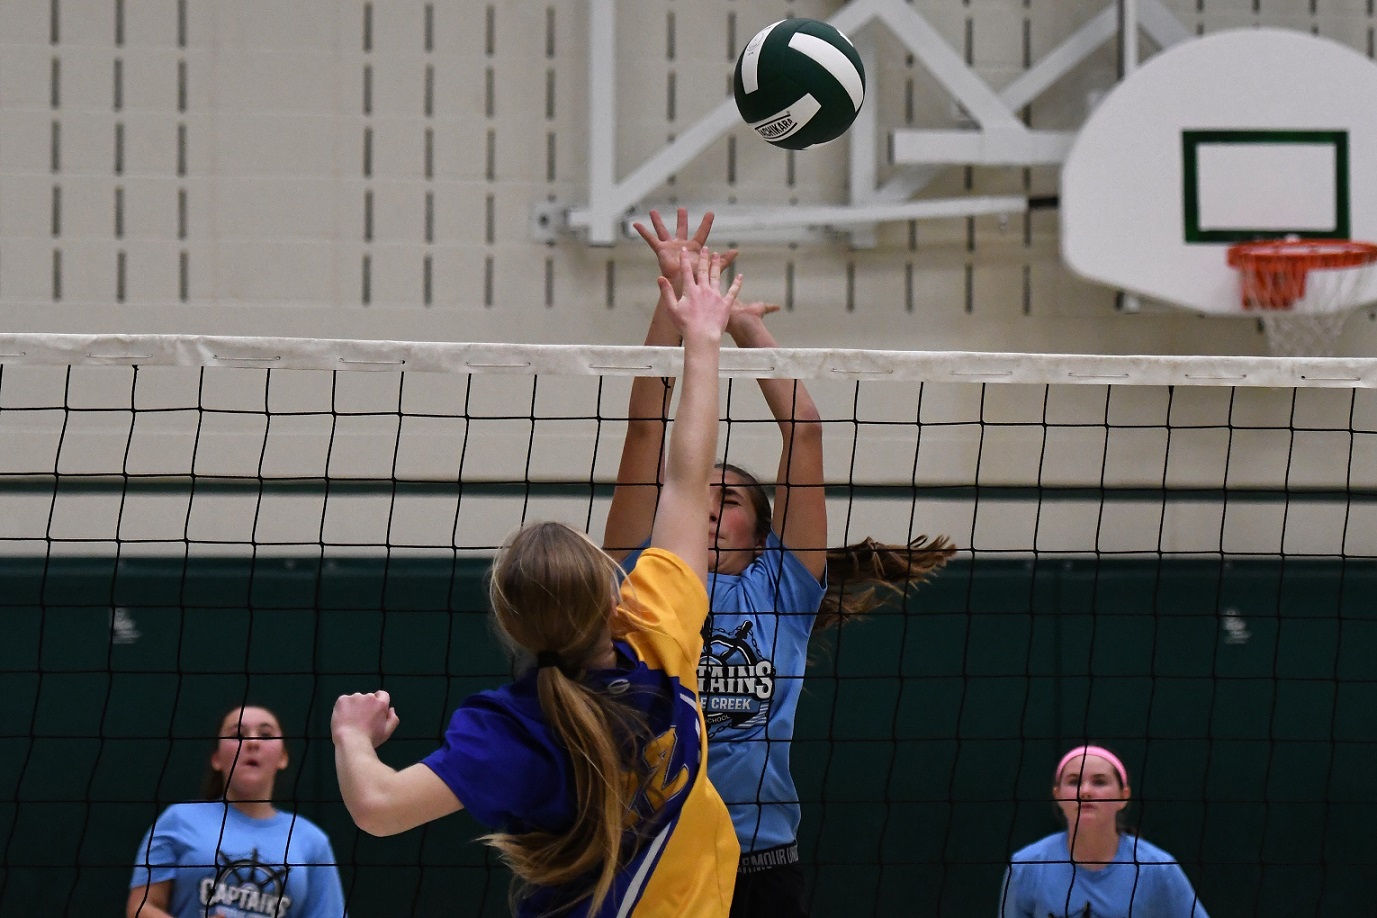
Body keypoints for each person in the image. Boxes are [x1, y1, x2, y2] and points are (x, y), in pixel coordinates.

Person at [330, 247, 742, 917]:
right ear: (615, 597)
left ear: (512, 626)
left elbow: (377, 808)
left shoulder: (514, 728)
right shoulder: (659, 630)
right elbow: (685, 477)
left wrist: (352, 734)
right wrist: (702, 338)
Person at [604, 209, 955, 918]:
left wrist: (739, 325)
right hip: (648, 850)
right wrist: (676, 303)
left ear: (761, 536)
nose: (704, 505)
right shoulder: (639, 582)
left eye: (727, 498)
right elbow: (648, 427)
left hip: (759, 859)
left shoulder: (782, 588)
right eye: (697, 492)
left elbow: (805, 429)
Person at [127, 704, 347, 918]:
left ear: (283, 757)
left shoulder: (312, 841)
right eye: (237, 734)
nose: (252, 742)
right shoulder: (178, 820)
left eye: (266, 735)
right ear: (216, 758)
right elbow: (140, 907)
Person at [999, 744, 1210, 918]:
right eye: (1074, 782)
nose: (1086, 791)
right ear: (1058, 794)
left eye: (1099, 782)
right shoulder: (1027, 866)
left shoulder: (1157, 868)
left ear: (1123, 796)